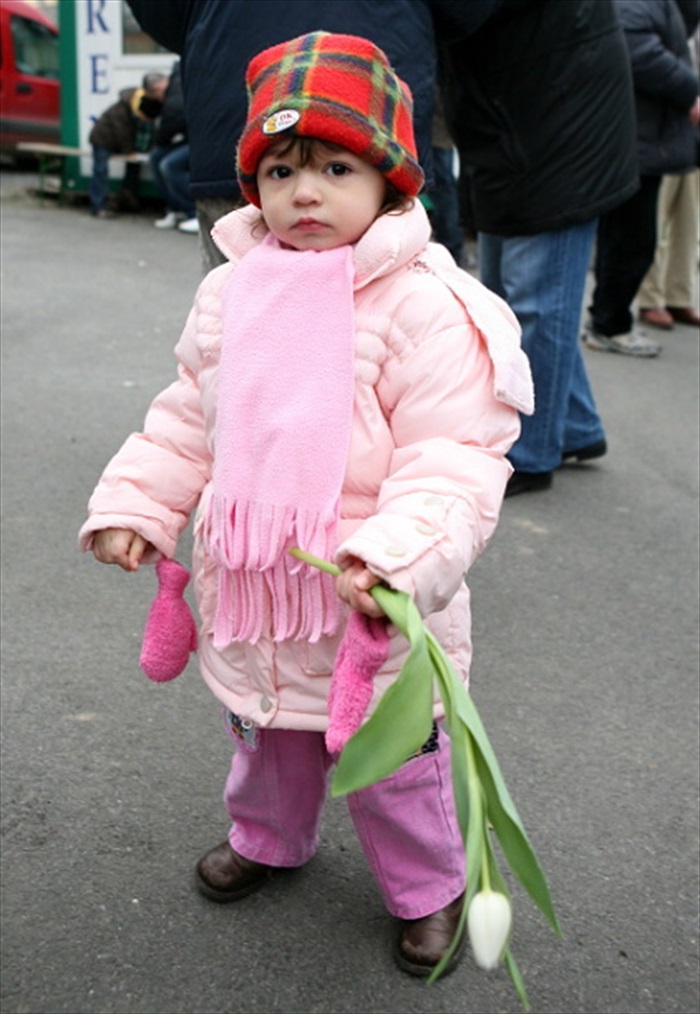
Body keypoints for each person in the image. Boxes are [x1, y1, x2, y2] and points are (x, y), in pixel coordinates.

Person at [79, 32, 533, 977]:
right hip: (256, 590)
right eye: (281, 169)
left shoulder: (426, 307)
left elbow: (454, 457)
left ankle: (429, 885)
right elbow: (186, 419)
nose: (305, 192)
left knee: (395, 762)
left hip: (367, 599)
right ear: (255, 186)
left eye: (335, 165)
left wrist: (397, 558)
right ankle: (268, 839)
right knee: (265, 733)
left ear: (392, 183)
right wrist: (139, 505)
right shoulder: (230, 296)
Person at [125, 0, 506, 272]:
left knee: (237, 320)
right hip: (372, 115)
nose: (306, 193)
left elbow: (162, 14)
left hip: (237, 98)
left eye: (335, 171)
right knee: (391, 314)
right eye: (287, 176)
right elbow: (465, 12)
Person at [439, 0, 639, 497]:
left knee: (535, 306)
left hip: (553, 126)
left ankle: (530, 454)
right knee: (513, 302)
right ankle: (574, 425)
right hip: (527, 119)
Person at [584, 0, 700, 357]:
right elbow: (641, 52)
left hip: (648, 137)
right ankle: (609, 324)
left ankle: (610, 321)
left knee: (633, 238)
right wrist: (690, 90)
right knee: (631, 240)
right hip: (636, 139)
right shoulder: (634, 5)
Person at [88, 72, 168, 219]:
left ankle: (127, 199)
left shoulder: (138, 103)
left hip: (116, 141)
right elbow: (123, 133)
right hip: (102, 138)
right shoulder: (123, 111)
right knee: (101, 170)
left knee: (132, 167)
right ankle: (98, 205)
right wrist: (130, 151)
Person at [638, 169, 700, 329]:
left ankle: (678, 298)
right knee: (655, 217)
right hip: (660, 150)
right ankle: (649, 299)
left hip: (692, 147)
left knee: (688, 222)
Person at [149, 60, 198, 234]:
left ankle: (195, 212)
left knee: (169, 165)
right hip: (193, 137)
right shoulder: (177, 81)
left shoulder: (174, 97)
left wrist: (159, 141)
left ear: (158, 87)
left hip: (206, 139)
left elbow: (171, 122)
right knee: (157, 157)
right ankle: (176, 209)